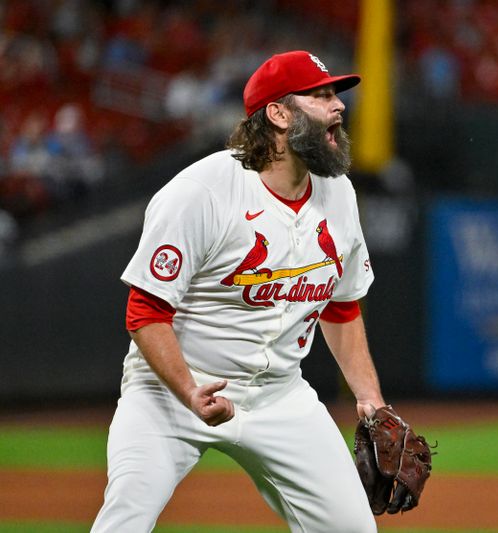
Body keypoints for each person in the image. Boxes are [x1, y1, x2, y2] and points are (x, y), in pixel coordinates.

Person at [92, 50, 386, 533]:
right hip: (169, 393)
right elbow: (145, 310)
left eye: (336, 94)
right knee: (125, 517)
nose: (338, 106)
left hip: (279, 396)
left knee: (352, 529)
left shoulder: (339, 194)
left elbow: (341, 305)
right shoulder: (202, 192)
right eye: (322, 95)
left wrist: (370, 397)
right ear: (278, 113)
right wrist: (188, 391)